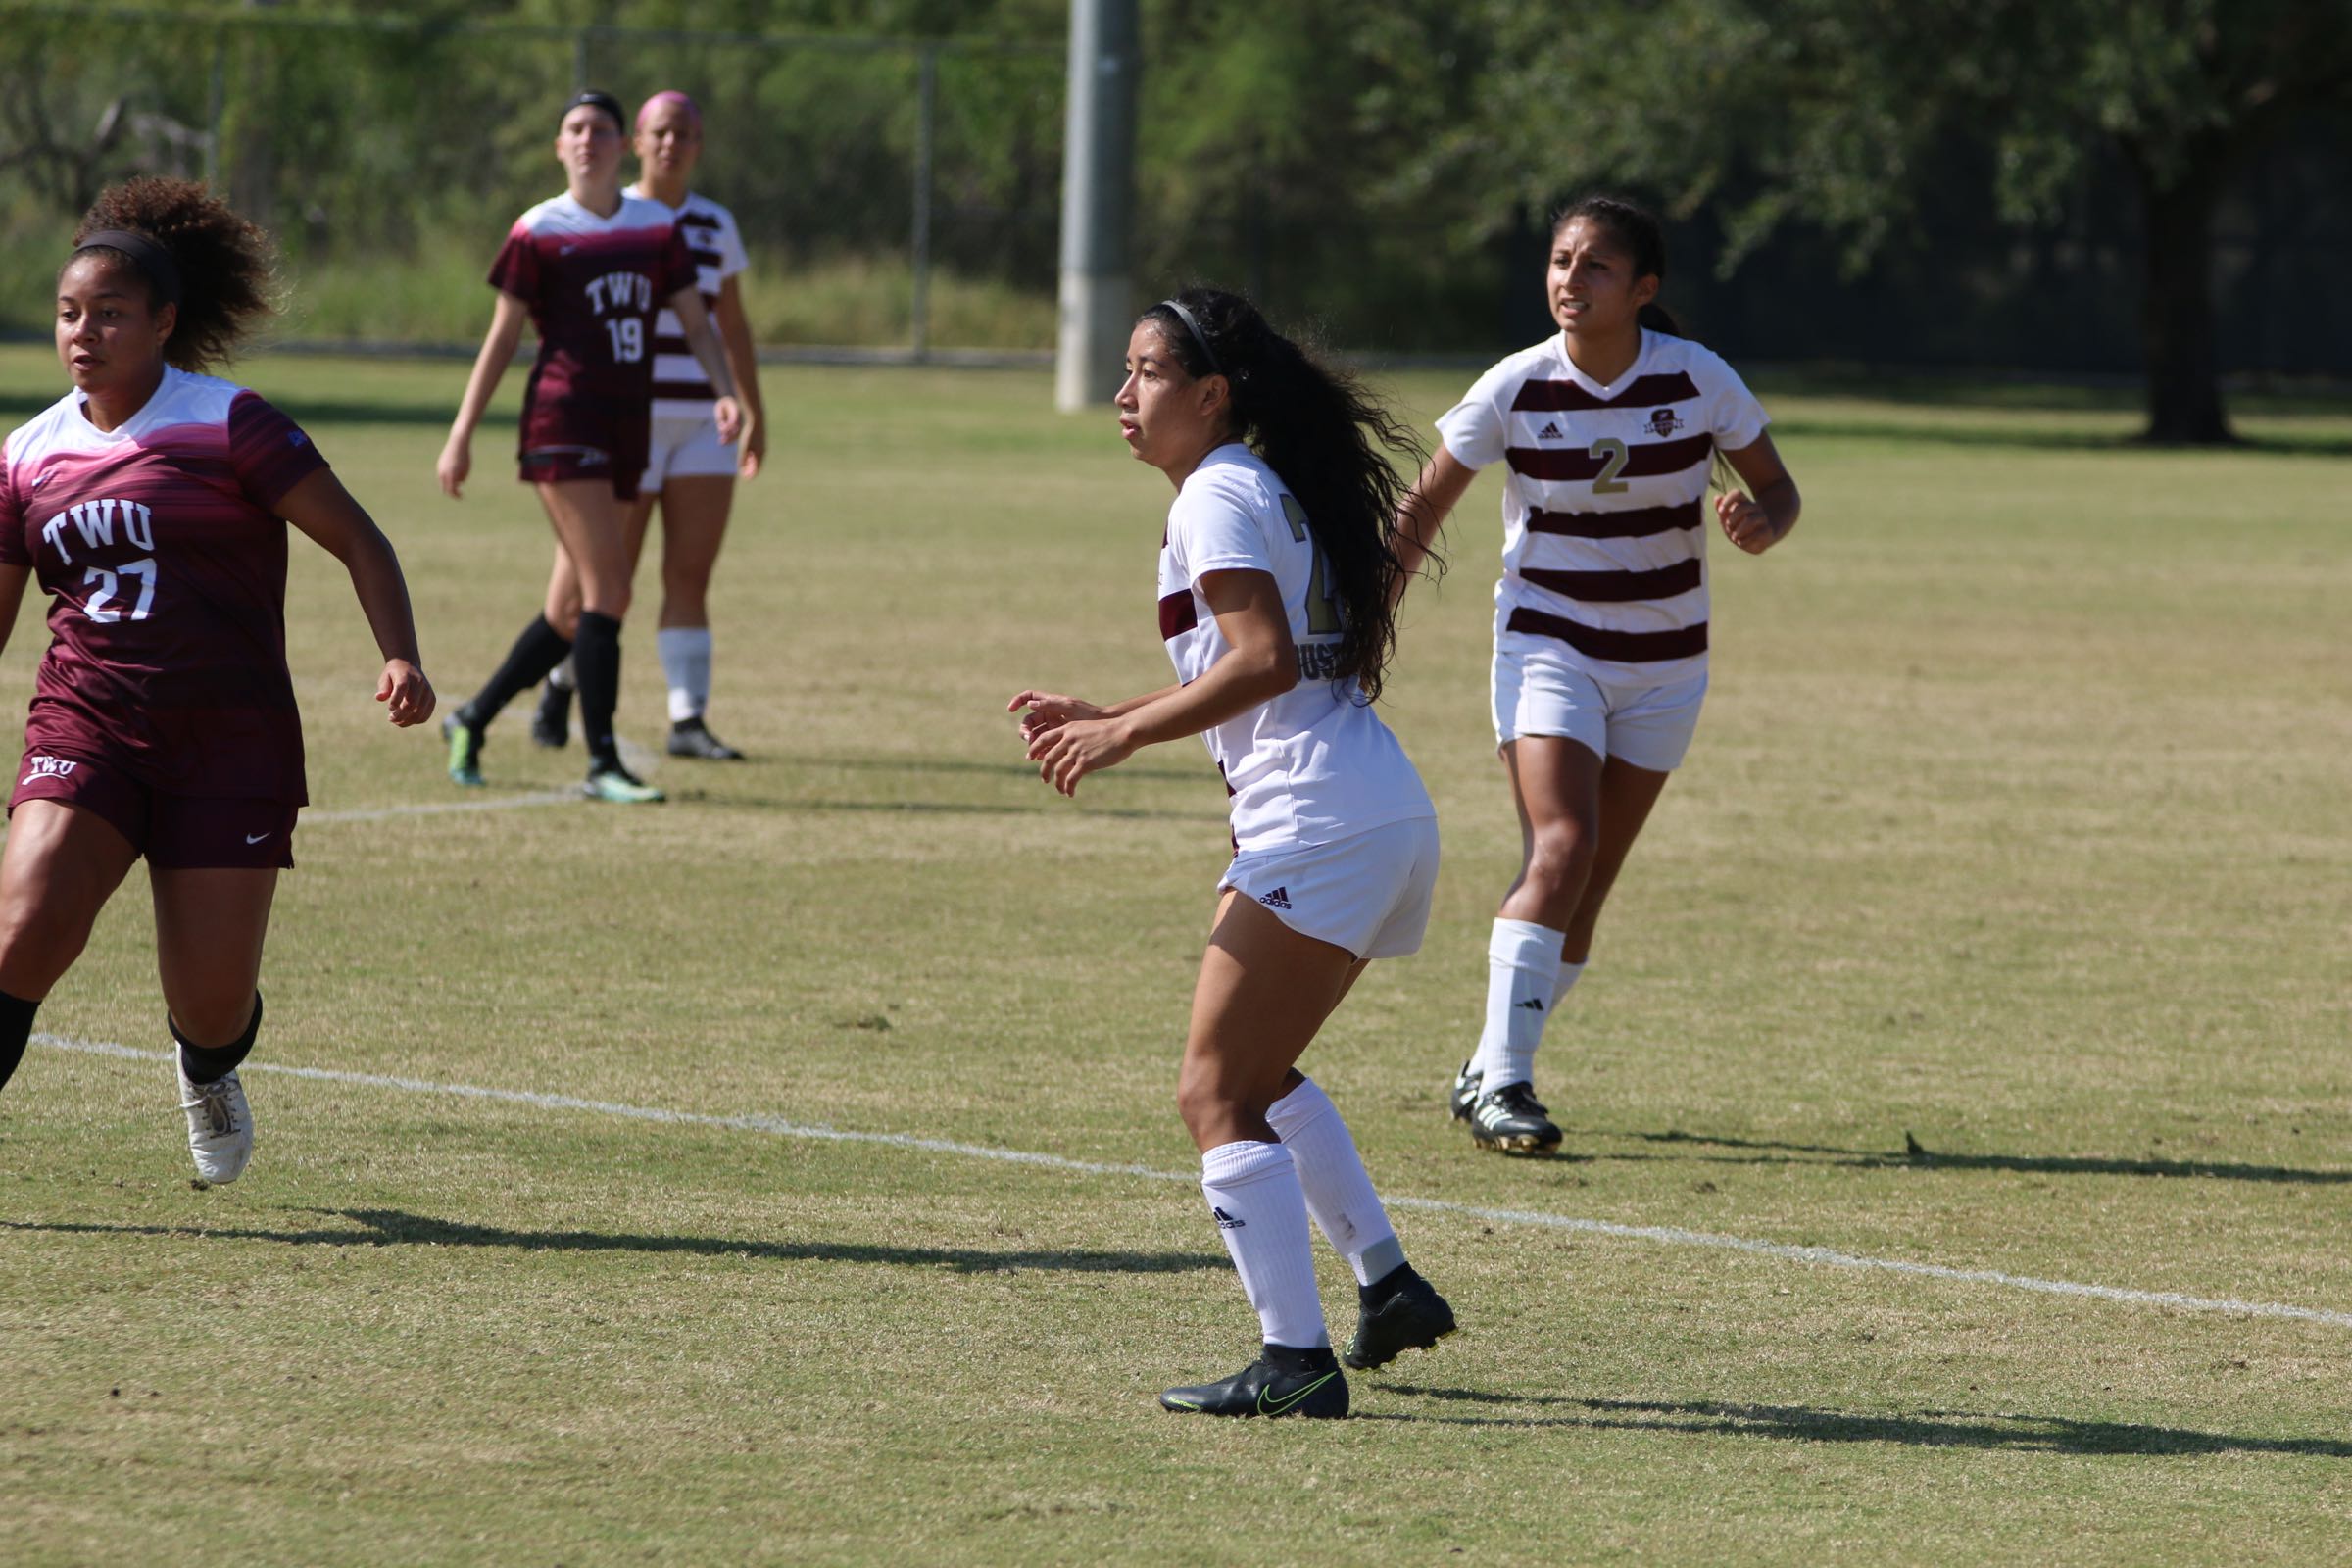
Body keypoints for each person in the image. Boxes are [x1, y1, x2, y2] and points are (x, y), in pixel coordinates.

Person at [1009, 290, 1456, 1419]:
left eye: (1147, 373)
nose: (1122, 394)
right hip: (1370, 810)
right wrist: (1115, 705)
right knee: (1260, 1076)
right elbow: (1280, 667)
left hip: (1324, 819)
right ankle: (1387, 1283)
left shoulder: (1215, 493)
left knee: (1214, 1090)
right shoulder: (1256, 487)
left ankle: (1293, 1361)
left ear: (1212, 394)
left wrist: (1120, 733)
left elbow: (1258, 660)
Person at [0, 178, 435, 1181]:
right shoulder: (28, 454)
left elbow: (360, 541)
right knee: (22, 931)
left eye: (110, 314)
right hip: (88, 725)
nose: (84, 332)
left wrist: (400, 654)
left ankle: (207, 1065)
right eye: (69, 313)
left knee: (211, 1000)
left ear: (163, 322)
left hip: (228, 743)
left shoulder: (231, 424)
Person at [1392, 195, 1800, 1156]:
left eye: (1596, 267)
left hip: (1667, 663)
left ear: (1643, 290)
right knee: (1562, 845)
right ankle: (1507, 1084)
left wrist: (1761, 522)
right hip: (1549, 645)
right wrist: (1365, 621)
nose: (1570, 280)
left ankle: (1490, 1059)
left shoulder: (1698, 381)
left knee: (1590, 885)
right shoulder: (1515, 387)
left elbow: (1777, 487)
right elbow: (1420, 511)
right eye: (1560, 261)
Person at [435, 89, 744, 803]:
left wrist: (726, 390)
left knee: (568, 613)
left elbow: (699, 325)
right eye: (574, 129)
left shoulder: (657, 229)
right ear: (559, 146)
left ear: (619, 145)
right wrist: (461, 432)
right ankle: (603, 760)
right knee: (612, 588)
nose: (587, 140)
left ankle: (472, 715)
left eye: (600, 129)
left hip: (626, 426)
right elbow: (504, 337)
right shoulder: (538, 229)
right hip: (562, 423)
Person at [530, 89, 766, 761]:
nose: (672, 144)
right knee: (604, 582)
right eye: (660, 132)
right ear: (635, 141)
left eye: (685, 134)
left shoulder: (716, 225)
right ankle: (558, 685)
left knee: (689, 574)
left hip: (701, 422)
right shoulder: (613, 216)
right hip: (622, 421)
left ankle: (687, 720)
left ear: (698, 145)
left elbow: (731, 325)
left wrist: (753, 409)